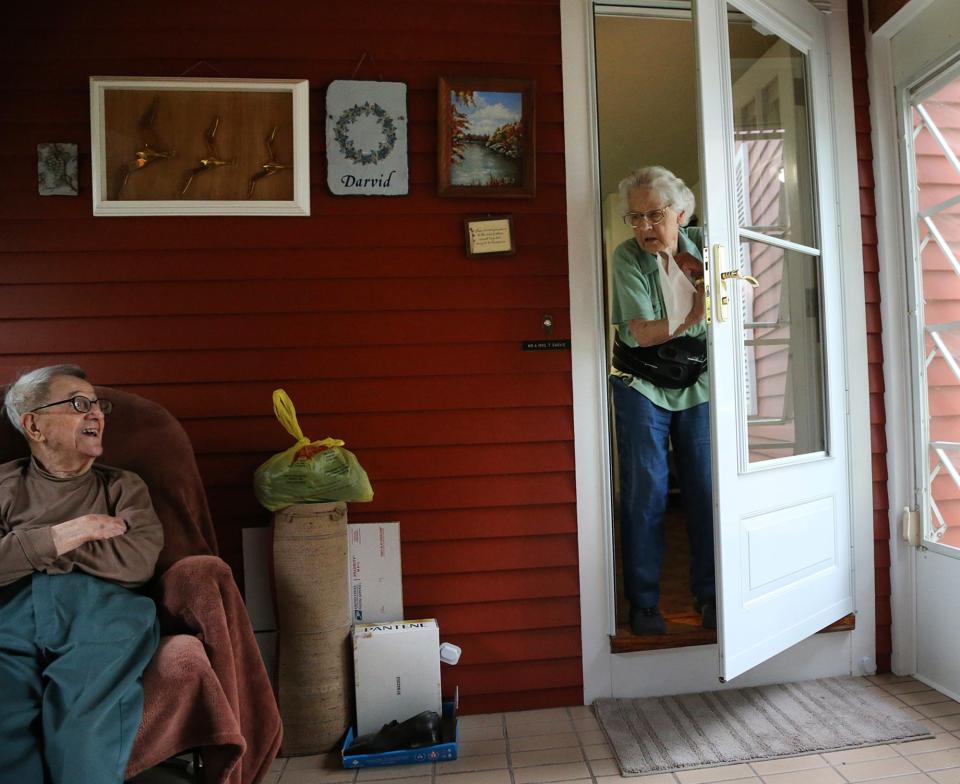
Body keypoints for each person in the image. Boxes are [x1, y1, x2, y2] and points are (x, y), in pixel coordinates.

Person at [0, 365, 164, 783]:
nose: (96, 414)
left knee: (82, 732)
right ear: (34, 425)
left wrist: (31, 547)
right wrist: (75, 531)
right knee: (8, 731)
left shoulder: (124, 487)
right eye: (79, 404)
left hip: (103, 612)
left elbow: (137, 559)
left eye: (97, 405)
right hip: (10, 618)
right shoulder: (3, 486)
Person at [609, 166, 715, 636]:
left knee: (707, 490)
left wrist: (697, 312)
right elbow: (642, 333)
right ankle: (646, 602)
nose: (645, 228)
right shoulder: (626, 258)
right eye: (636, 218)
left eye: (655, 215)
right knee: (645, 492)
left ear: (681, 212)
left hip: (699, 381)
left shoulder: (710, 250)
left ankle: (712, 595)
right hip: (641, 381)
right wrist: (699, 310)